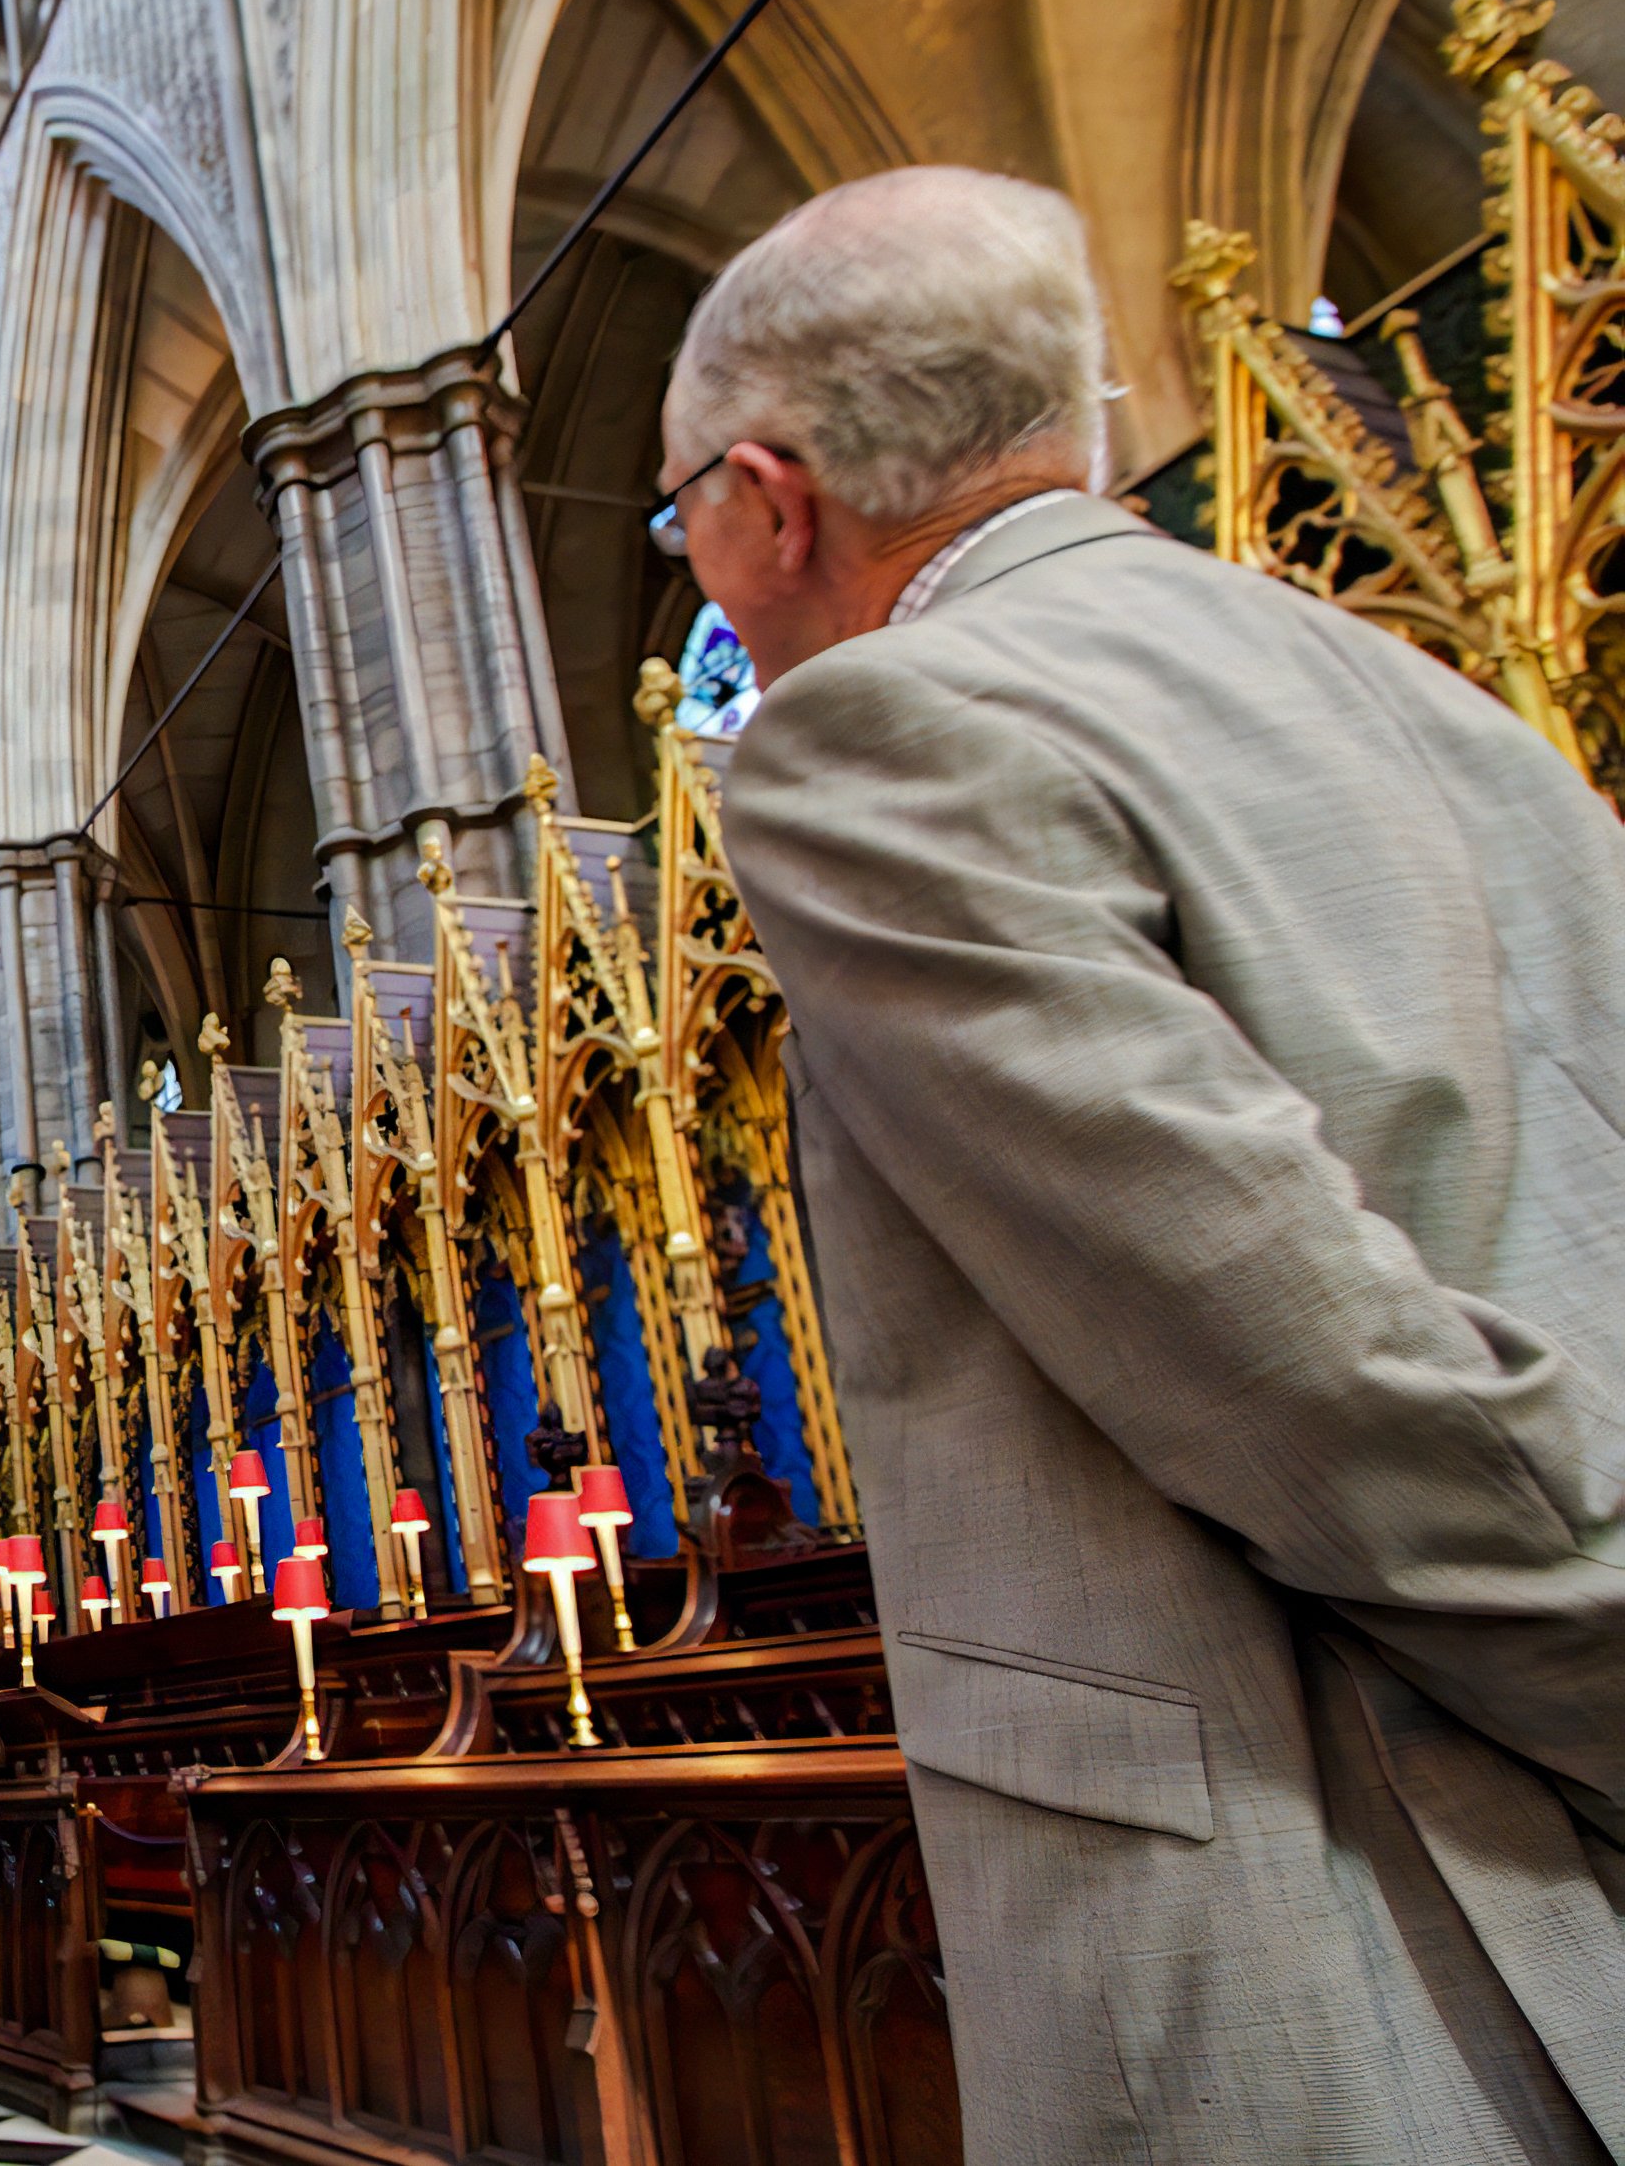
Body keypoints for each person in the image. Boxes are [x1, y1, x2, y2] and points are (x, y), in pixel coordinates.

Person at [660, 165, 1625, 2162]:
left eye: (685, 521)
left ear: (772, 496)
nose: (710, 568)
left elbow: (1298, 1369)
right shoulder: (1427, 693)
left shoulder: (875, 739)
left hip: (1366, 1871)